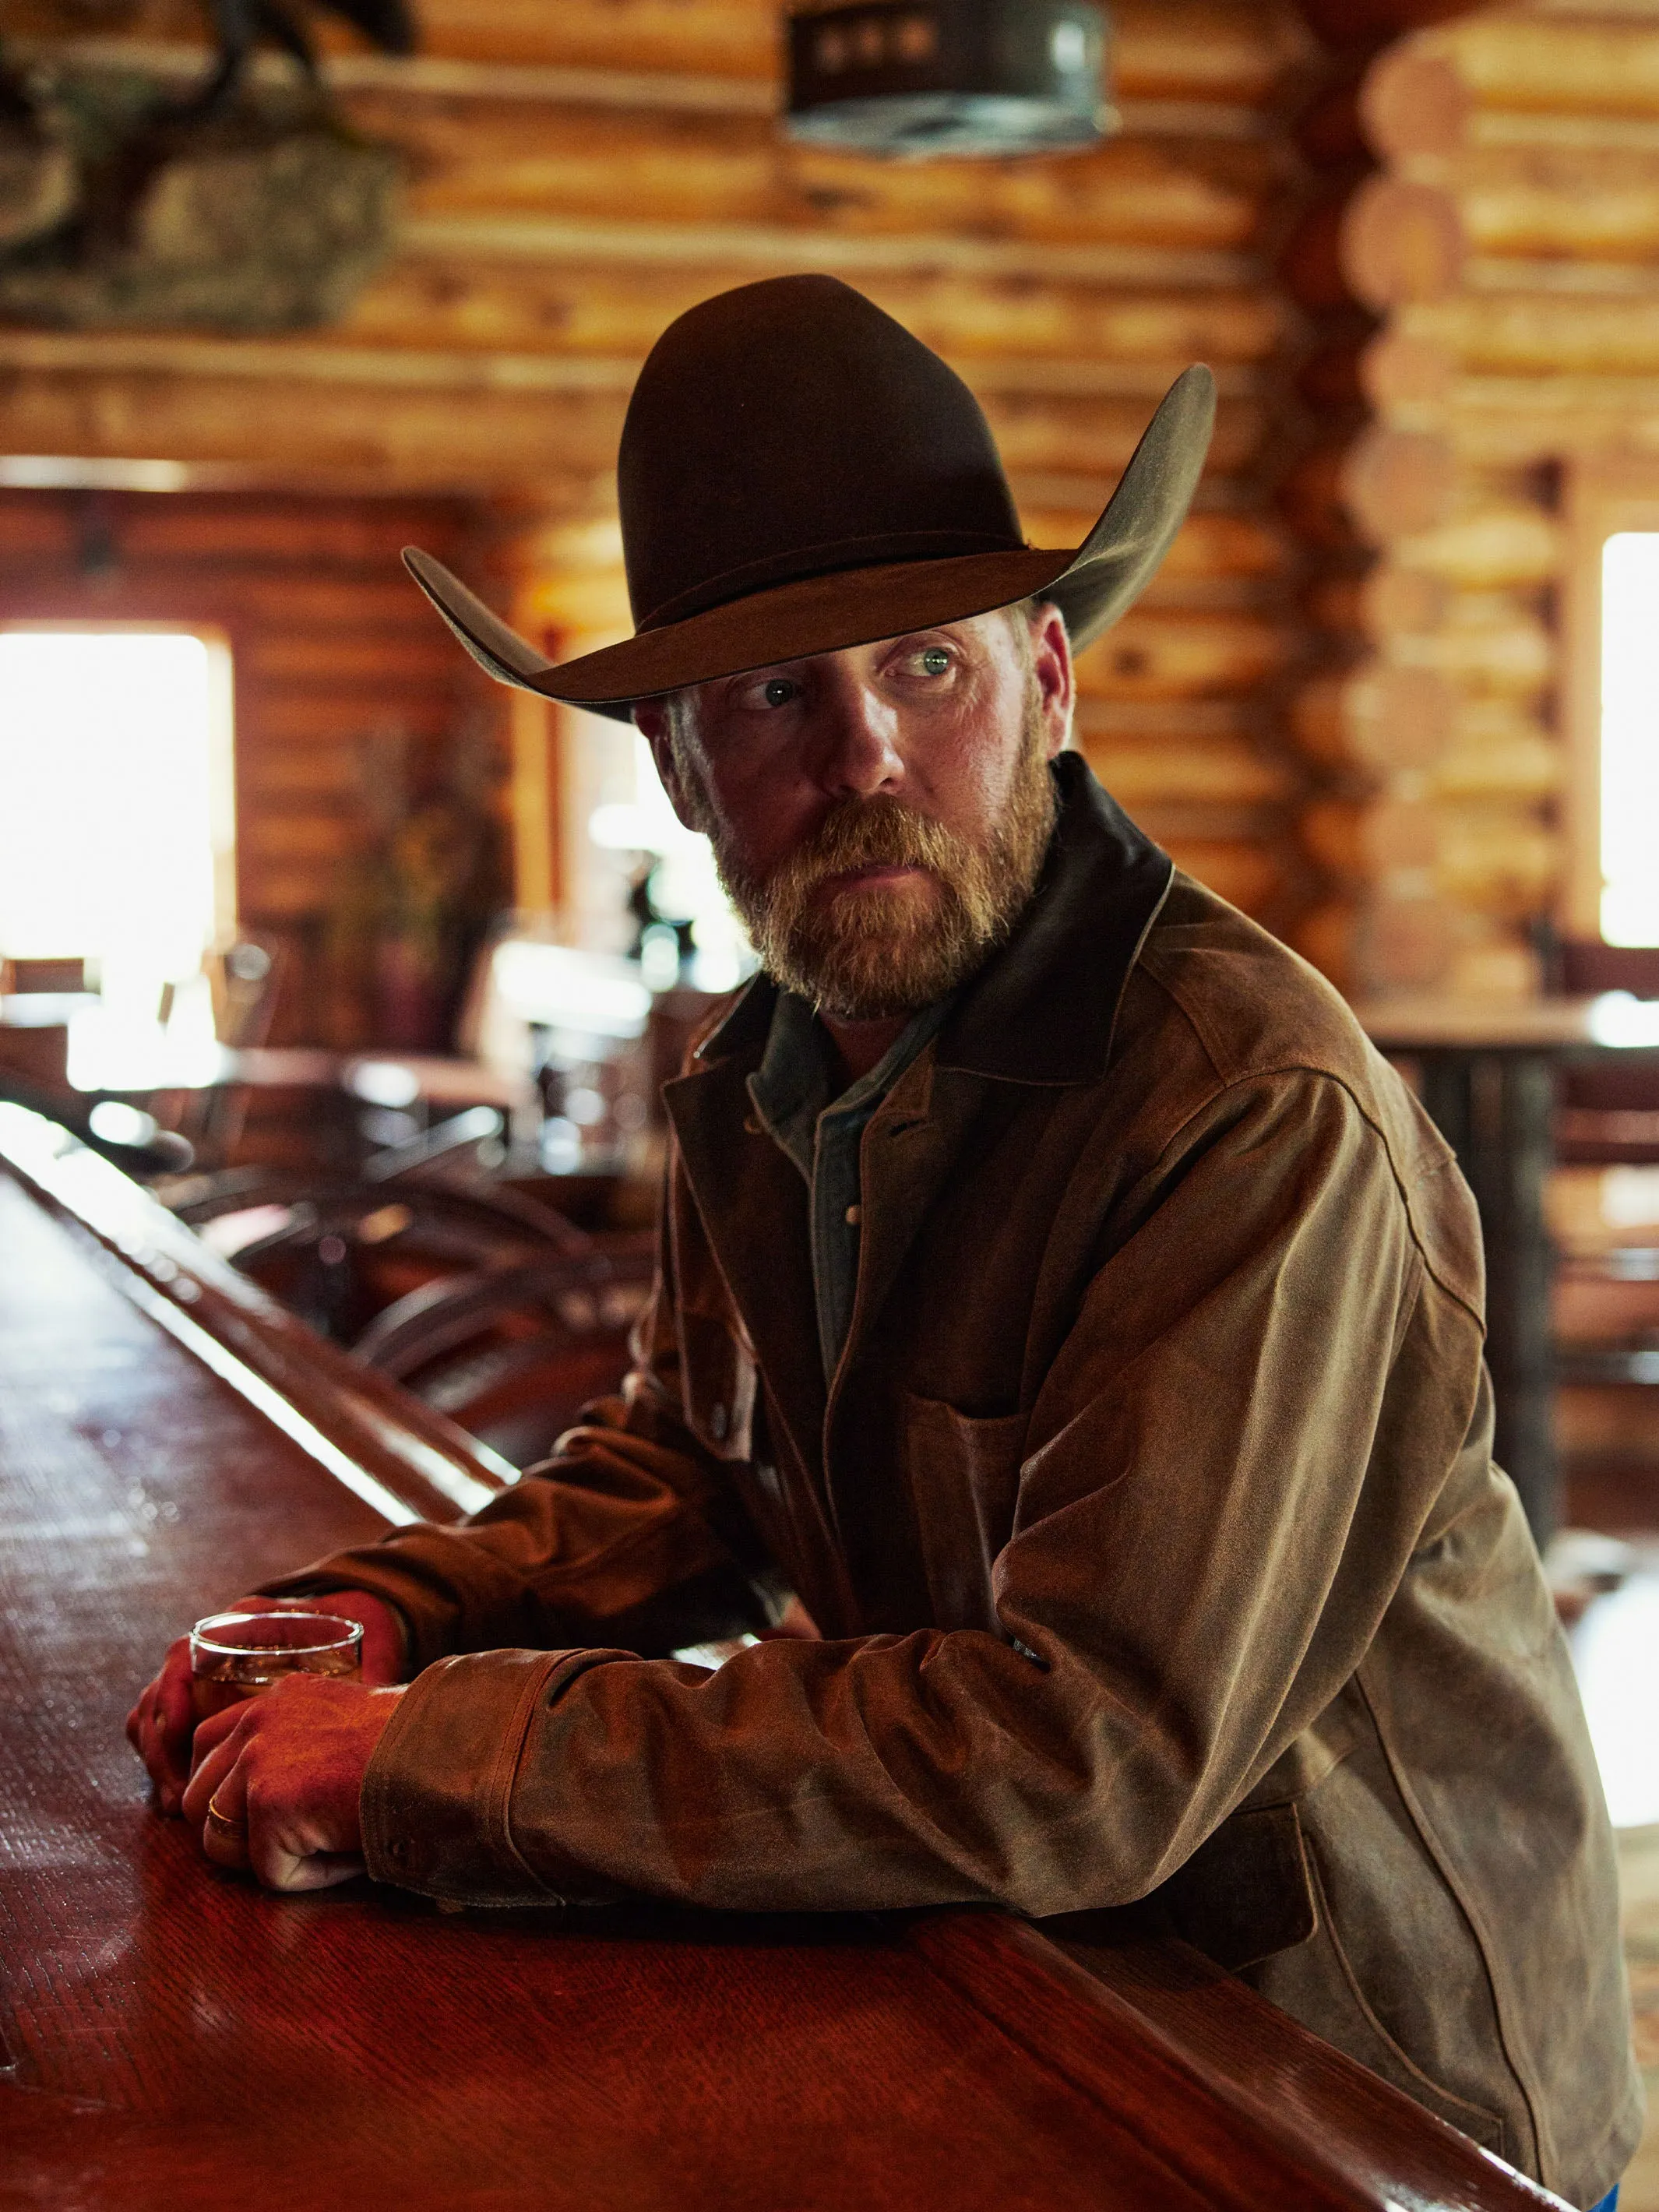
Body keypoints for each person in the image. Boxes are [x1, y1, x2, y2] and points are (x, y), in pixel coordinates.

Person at [129, 276, 1637, 2209]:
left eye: (926, 668)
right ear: (680, 769)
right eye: (776, 695)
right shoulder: (755, 1068)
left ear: (1050, 680)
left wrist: (432, 1757)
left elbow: (1080, 1751)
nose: (864, 759)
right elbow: (691, 1468)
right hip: (1015, 1986)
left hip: (1354, 2097)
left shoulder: (1249, 1110)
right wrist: (396, 1614)